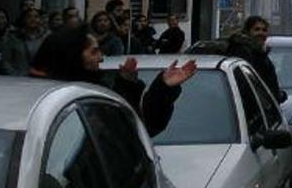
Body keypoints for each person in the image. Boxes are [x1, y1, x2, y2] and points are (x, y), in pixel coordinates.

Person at [28, 25, 194, 138]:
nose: (101, 58)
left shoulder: (98, 93)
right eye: (94, 52)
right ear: (71, 57)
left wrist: (162, 88)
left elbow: (141, 128)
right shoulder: (41, 105)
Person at [225, 13, 285, 99]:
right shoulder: (242, 53)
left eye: (264, 30)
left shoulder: (261, 55)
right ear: (248, 32)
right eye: (257, 29)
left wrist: (279, 95)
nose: (261, 33)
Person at [0, 4, 51, 77]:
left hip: (40, 78)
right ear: (24, 19)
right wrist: (15, 75)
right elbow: (5, 61)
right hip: (17, 78)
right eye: (29, 16)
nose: (33, 19)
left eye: (36, 17)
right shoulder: (13, 38)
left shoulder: (47, 38)